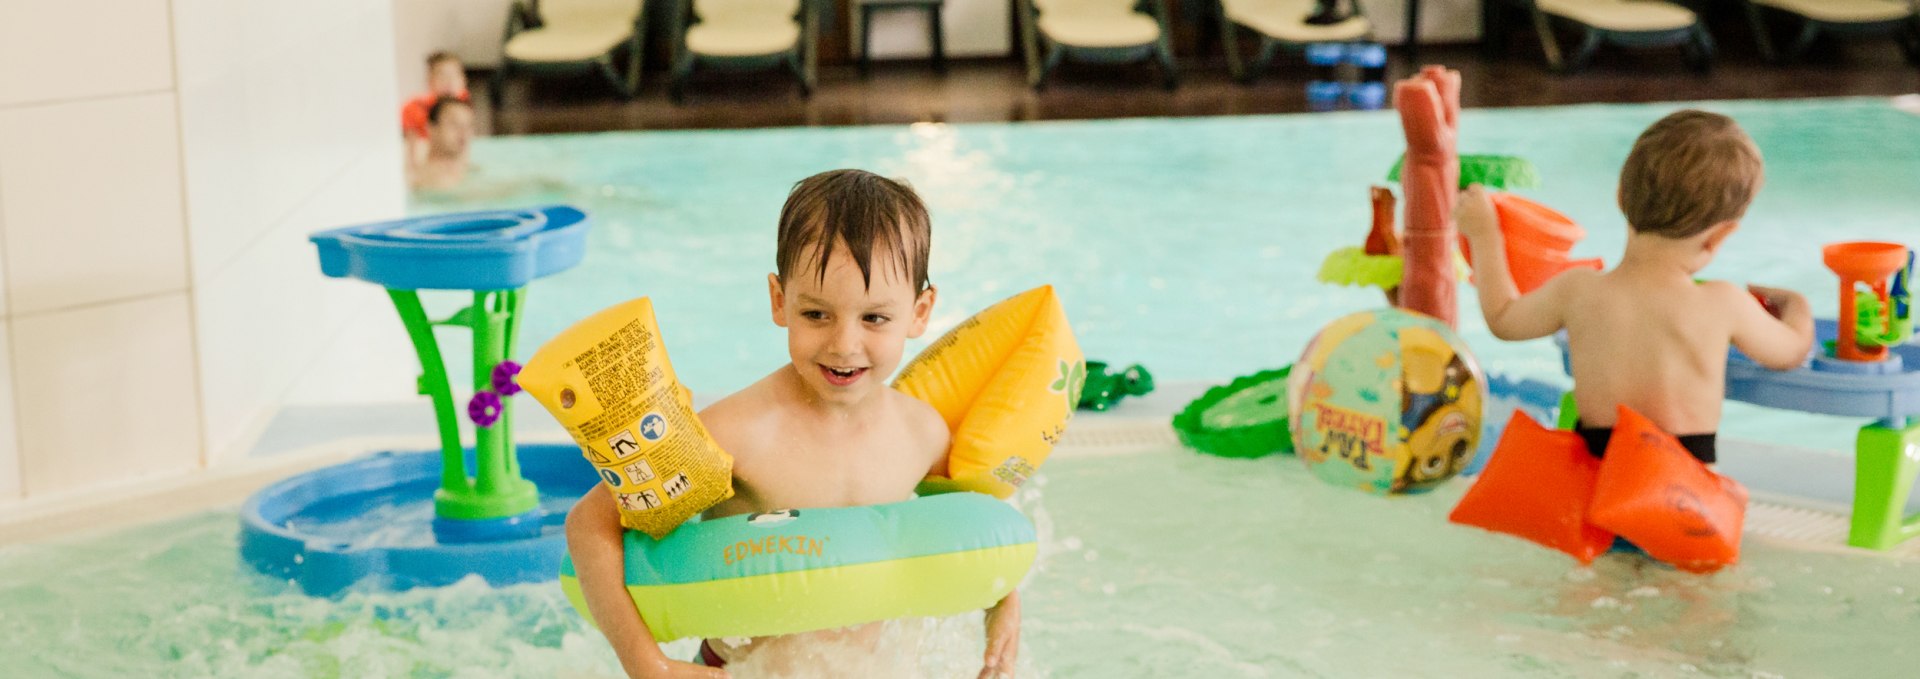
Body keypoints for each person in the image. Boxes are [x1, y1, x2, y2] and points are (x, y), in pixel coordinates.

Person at [564, 169, 1023, 679]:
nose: (844, 345)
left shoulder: (922, 434)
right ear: (780, 301)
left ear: (920, 312)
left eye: (874, 318)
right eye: (816, 314)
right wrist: (646, 662)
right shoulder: (738, 431)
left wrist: (1003, 605)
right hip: (742, 669)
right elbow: (589, 523)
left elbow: (970, 530)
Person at [1454, 109, 1814, 464]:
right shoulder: (1723, 303)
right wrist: (1795, 303)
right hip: (1680, 500)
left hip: (1597, 487)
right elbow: (1792, 351)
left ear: (1621, 197)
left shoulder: (1578, 291)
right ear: (1720, 235)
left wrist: (1484, 234)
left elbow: (1503, 318)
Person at [402, 52, 471, 168]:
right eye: (442, 76)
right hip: (426, 156)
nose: (449, 82)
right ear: (430, 80)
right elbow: (412, 150)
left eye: (454, 75)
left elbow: (465, 143)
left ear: (463, 80)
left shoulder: (463, 104)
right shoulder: (415, 108)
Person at [407, 96, 475, 191]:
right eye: (454, 124)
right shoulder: (427, 179)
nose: (463, 132)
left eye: (468, 125)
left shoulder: (469, 170)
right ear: (431, 128)